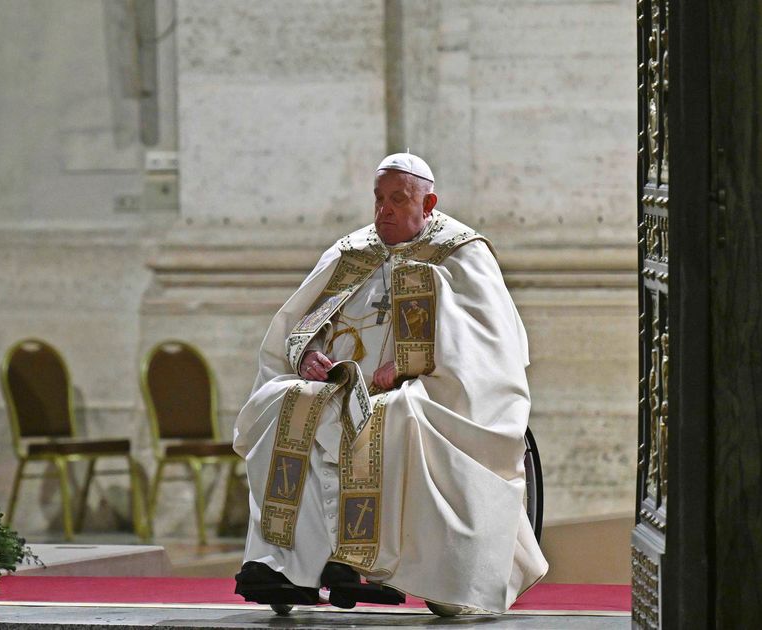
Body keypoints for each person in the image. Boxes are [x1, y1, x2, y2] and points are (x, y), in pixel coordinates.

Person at [233, 153, 547, 616]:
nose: (383, 210)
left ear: (429, 202)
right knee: (282, 402)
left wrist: (409, 364)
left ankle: (362, 562)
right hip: (337, 386)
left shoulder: (460, 252)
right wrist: (308, 355)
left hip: (427, 390)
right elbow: (300, 323)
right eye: (379, 199)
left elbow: (488, 344)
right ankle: (288, 567)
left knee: (394, 415)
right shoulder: (353, 251)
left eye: (397, 200)